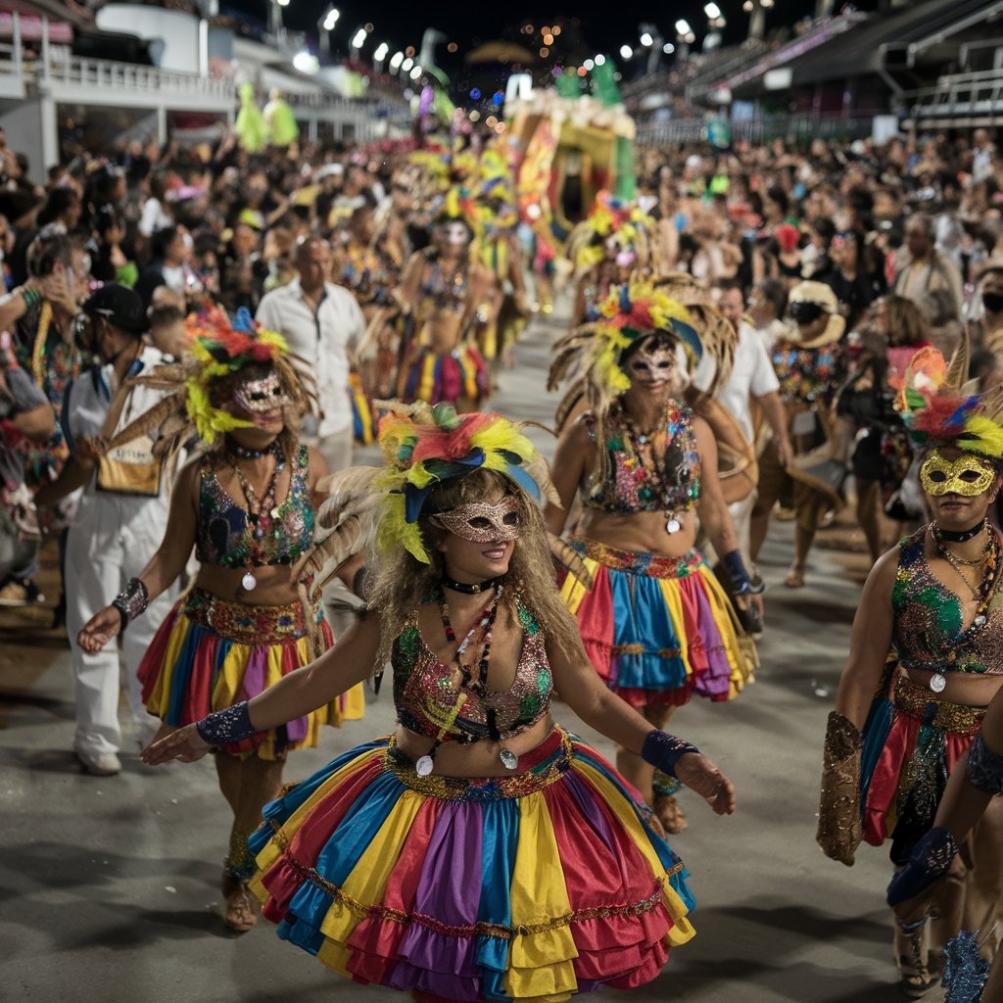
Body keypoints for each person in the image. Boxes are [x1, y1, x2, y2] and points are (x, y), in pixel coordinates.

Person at [141, 401, 737, 1000]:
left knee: (534, 983)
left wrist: (677, 756)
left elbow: (597, 702)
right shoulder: (396, 616)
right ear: (436, 532)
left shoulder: (538, 609)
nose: (503, 533)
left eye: (511, 517)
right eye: (481, 521)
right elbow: (307, 685)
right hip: (429, 825)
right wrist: (210, 730)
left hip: (539, 819)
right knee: (443, 987)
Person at [76, 307, 365, 931]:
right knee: (232, 765)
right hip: (211, 638)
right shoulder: (198, 477)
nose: (264, 405)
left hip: (286, 640)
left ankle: (240, 872)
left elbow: (339, 550)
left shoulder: (309, 469)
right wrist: (118, 611)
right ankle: (262, 836)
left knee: (265, 766)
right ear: (218, 403)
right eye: (248, 394)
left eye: (274, 393)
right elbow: (166, 561)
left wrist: (374, 586)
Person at [817, 336, 1003, 997]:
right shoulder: (892, 568)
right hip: (917, 739)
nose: (952, 490)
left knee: (987, 872)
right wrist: (838, 773)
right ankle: (908, 925)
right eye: (937, 474)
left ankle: (962, 969)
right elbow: (859, 673)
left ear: (995, 483)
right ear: (920, 479)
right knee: (931, 866)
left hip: (993, 742)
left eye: (969, 475)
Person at [546, 280, 758, 833]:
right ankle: (633, 819)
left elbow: (713, 509)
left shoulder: (697, 431)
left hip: (679, 584)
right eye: (644, 362)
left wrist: (737, 572)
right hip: (606, 583)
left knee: (662, 703)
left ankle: (661, 784)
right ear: (622, 367)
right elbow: (547, 517)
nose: (658, 373)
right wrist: (539, 583)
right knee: (621, 708)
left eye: (666, 362)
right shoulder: (590, 431)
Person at [34, 285, 178, 775]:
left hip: (151, 518)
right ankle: (95, 737)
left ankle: (150, 727)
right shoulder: (81, 385)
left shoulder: (170, 376)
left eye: (94, 323)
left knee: (150, 624)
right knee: (90, 624)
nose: (88, 332)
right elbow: (76, 473)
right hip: (95, 516)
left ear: (112, 328)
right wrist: (75, 467)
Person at [750, 280, 847, 589]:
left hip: (814, 430)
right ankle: (749, 561)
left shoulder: (836, 352)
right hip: (777, 427)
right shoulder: (781, 344)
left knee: (808, 500)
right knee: (761, 497)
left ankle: (800, 562)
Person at [255, 235, 364, 473]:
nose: (322, 269)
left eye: (326, 262)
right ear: (298, 265)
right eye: (314, 263)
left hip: (338, 419)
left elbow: (362, 348)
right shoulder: (274, 304)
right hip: (295, 425)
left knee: (335, 498)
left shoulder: (344, 301)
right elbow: (258, 357)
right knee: (294, 499)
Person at [394, 200, 494, 409]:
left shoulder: (474, 270)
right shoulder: (422, 261)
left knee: (461, 418)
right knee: (421, 417)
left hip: (458, 352)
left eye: (457, 237)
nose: (450, 244)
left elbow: (488, 298)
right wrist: (412, 310)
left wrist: (482, 314)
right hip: (424, 350)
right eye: (446, 235)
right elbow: (405, 295)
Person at [893, 213, 964, 353]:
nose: (909, 240)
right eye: (907, 235)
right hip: (908, 341)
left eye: (915, 235)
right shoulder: (905, 268)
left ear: (929, 238)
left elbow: (957, 303)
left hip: (938, 342)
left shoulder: (944, 268)